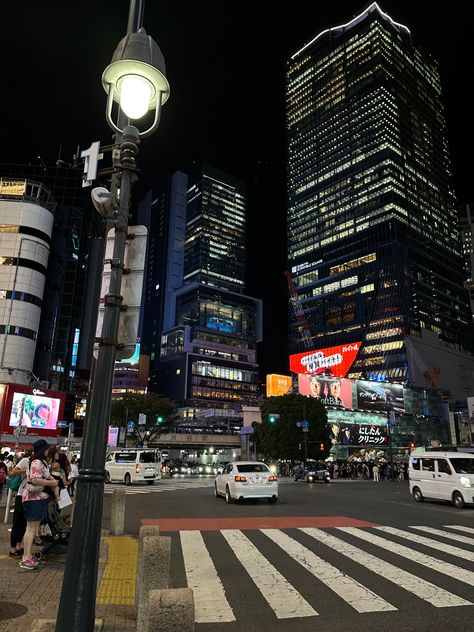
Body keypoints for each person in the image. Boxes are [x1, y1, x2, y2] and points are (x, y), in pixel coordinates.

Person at [20, 439, 59, 569]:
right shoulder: (37, 462)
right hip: (34, 499)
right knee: (31, 529)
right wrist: (51, 483)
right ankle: (26, 557)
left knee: (31, 528)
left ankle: (28, 556)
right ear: (42, 450)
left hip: (36, 499)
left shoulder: (40, 462)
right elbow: (36, 480)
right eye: (47, 448)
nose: (49, 451)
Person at [9, 447, 33, 558]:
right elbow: (13, 472)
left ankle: (19, 545)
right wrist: (26, 471)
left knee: (24, 522)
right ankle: (12, 548)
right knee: (17, 522)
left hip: (30, 496)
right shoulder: (25, 461)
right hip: (21, 494)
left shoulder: (38, 463)